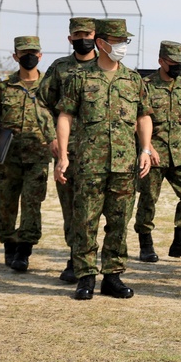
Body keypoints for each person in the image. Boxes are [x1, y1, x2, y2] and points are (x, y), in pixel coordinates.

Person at [54, 18, 153, 300]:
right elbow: (65, 116)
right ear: (101, 43)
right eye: (117, 41)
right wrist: (63, 155)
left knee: (119, 222)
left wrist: (145, 150)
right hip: (88, 163)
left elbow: (143, 116)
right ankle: (85, 277)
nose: (122, 46)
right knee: (85, 221)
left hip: (124, 165)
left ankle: (113, 276)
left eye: (124, 41)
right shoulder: (80, 78)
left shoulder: (133, 79)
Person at [0, 35, 56, 273]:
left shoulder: (51, 86)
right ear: (15, 56)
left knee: (32, 203)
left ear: (41, 55)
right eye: (24, 53)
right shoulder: (4, 86)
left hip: (38, 155)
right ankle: (8, 244)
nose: (29, 57)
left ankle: (24, 250)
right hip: (8, 156)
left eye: (33, 52)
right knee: (5, 203)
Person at [37, 16, 97, 284]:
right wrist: (51, 136)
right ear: (70, 38)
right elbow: (41, 103)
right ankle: (76, 258)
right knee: (73, 209)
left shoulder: (107, 66)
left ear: (97, 36)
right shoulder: (60, 68)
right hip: (68, 151)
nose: (83, 38)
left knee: (104, 209)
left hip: (105, 152)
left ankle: (102, 260)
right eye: (78, 34)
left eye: (88, 33)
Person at [134, 41, 181, 263]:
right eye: (173, 63)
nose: (177, 67)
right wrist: (149, 148)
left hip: (178, 153)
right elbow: (139, 120)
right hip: (153, 154)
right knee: (148, 199)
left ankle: (180, 242)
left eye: (180, 63)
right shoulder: (145, 85)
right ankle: (146, 245)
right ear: (161, 61)